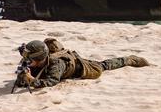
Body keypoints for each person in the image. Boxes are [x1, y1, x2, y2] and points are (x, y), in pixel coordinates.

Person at [15, 38, 149, 89]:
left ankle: (129, 59)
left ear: (40, 58)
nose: (26, 60)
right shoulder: (29, 60)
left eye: (29, 59)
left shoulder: (57, 64)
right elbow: (20, 82)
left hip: (80, 67)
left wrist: (32, 81)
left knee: (103, 66)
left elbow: (52, 81)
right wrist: (23, 76)